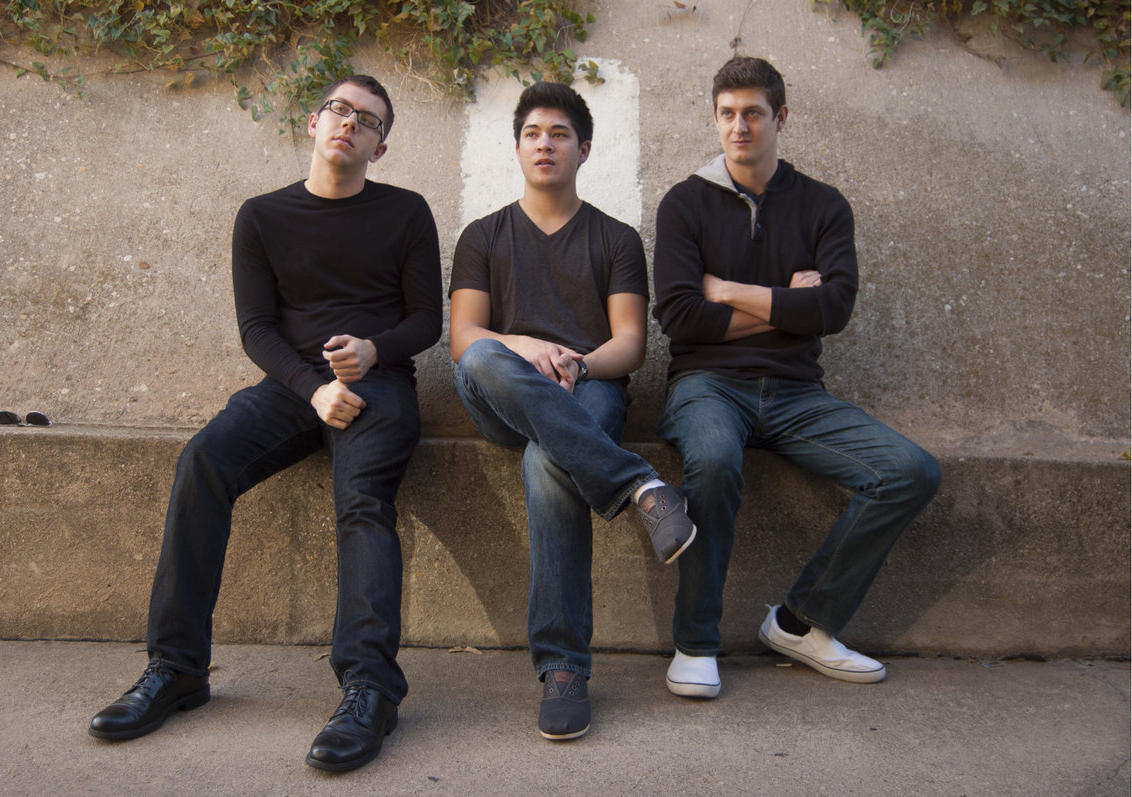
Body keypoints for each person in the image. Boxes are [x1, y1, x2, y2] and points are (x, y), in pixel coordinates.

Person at [87, 75, 442, 774]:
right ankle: (176, 667)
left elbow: (427, 319)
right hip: (291, 387)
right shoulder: (261, 216)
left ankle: (370, 689)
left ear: (380, 147)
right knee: (203, 460)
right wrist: (314, 390)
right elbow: (256, 328)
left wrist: (374, 350)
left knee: (362, 499)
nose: (350, 123)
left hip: (380, 387)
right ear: (313, 122)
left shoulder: (406, 212)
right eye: (339, 110)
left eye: (368, 120)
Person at [652, 56, 941, 698]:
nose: (740, 127)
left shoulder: (823, 206)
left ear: (780, 117)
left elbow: (832, 311)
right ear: (715, 119)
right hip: (706, 386)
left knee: (910, 471)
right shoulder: (684, 204)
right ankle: (695, 643)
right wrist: (787, 304)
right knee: (715, 461)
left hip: (796, 395)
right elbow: (679, 317)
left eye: (753, 113)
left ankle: (800, 622)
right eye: (728, 114)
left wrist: (728, 290)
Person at [449, 82, 696, 741]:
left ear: (583, 150)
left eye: (559, 134)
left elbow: (630, 344)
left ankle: (563, 667)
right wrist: (528, 347)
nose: (544, 144)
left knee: (548, 461)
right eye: (532, 133)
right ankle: (639, 485)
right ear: (517, 148)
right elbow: (464, 337)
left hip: (588, 389)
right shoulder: (483, 236)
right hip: (503, 393)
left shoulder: (615, 239)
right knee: (483, 357)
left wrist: (578, 365)